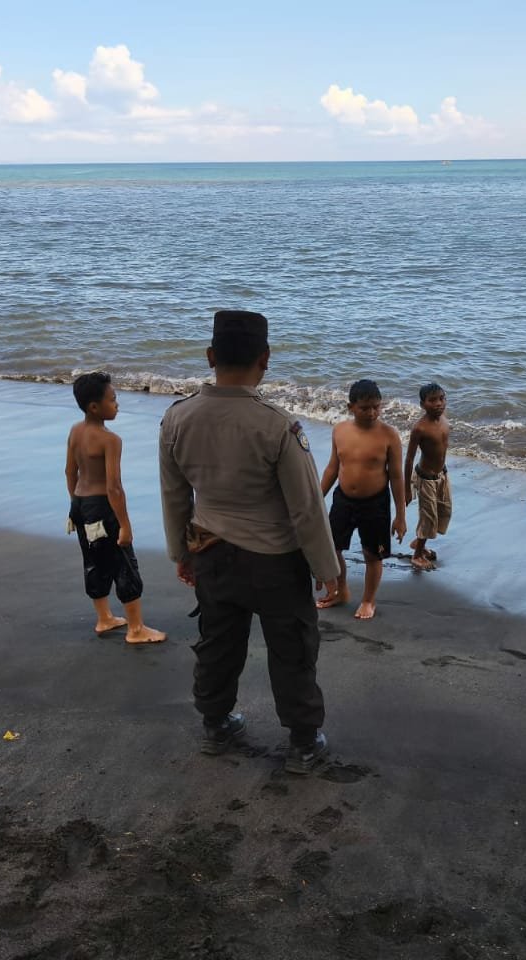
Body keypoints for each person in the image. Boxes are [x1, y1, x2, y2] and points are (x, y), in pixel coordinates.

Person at [159, 310, 339, 774]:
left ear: (210, 356)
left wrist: (181, 553)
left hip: (210, 551)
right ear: (265, 358)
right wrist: (326, 568)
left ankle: (216, 724)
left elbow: (175, 496)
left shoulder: (176, 418)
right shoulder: (277, 425)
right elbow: (306, 508)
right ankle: (303, 742)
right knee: (292, 649)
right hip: (274, 560)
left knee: (217, 642)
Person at [66, 372, 166, 644]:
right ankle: (136, 629)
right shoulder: (110, 440)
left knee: (93, 561)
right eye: (112, 399)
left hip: (81, 505)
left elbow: (70, 472)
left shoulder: (75, 431)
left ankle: (104, 618)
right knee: (123, 564)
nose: (117, 404)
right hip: (103, 507)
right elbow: (114, 488)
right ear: (94, 407)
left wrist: (76, 504)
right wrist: (125, 525)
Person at [317, 380, 407, 620]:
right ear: (351, 407)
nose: (372, 413)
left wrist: (400, 516)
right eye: (365, 408)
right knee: (333, 547)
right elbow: (332, 468)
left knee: (372, 554)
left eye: (376, 407)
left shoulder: (389, 435)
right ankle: (341, 590)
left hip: (375, 504)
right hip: (343, 499)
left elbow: (396, 477)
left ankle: (368, 600)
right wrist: (317, 497)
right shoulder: (340, 430)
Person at [404, 382, 452, 571]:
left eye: (442, 398)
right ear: (422, 404)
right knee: (428, 517)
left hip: (442, 475)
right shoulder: (420, 428)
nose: (439, 403)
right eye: (432, 400)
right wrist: (407, 489)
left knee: (443, 511)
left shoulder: (445, 420)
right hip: (425, 478)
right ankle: (417, 555)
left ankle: (419, 542)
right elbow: (409, 458)